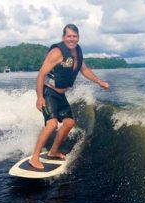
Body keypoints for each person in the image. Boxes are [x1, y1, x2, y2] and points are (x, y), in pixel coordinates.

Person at [29, 24, 110, 169]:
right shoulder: (56, 52)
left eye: (74, 36)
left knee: (69, 123)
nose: (71, 39)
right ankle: (35, 157)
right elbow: (41, 75)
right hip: (48, 93)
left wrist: (99, 82)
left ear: (78, 38)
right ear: (63, 37)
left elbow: (84, 69)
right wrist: (39, 97)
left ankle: (53, 151)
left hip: (60, 95)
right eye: (69, 36)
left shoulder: (77, 52)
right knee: (52, 125)